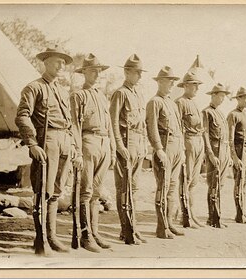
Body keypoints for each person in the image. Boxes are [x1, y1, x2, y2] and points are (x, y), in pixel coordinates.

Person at [15, 46, 74, 252]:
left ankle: (52, 237)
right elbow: (22, 115)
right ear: (46, 63)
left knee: (57, 192)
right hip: (46, 139)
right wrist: (32, 143)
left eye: (63, 63)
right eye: (57, 61)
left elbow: (70, 121)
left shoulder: (63, 90)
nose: (61, 65)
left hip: (64, 140)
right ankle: (41, 241)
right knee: (43, 191)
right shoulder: (34, 88)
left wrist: (73, 144)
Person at [70, 53, 116, 252]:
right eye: (93, 71)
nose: (97, 74)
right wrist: (77, 152)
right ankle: (85, 235)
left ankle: (95, 232)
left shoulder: (101, 96)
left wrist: (112, 148)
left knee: (97, 192)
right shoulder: (78, 96)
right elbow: (74, 126)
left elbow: (110, 125)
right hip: (88, 142)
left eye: (99, 71)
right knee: (86, 190)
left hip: (104, 142)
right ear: (84, 73)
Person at [109, 54, 148, 245]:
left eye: (141, 72)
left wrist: (145, 145)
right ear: (126, 72)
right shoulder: (120, 93)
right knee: (124, 189)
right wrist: (119, 145)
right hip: (127, 143)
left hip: (138, 143)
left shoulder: (138, 94)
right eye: (137, 72)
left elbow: (143, 123)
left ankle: (133, 227)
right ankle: (126, 230)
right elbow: (114, 122)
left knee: (135, 188)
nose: (140, 76)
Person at [146, 66, 186, 239]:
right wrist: (158, 149)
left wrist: (183, 149)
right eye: (168, 81)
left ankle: (169, 223)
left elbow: (180, 127)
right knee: (163, 187)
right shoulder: (154, 102)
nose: (171, 84)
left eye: (173, 82)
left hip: (177, 145)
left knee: (173, 187)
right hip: (165, 145)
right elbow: (152, 126)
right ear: (160, 82)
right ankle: (162, 228)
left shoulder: (172, 102)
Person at [175, 69, 205, 228]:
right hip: (188, 142)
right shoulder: (180, 102)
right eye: (194, 85)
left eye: (197, 85)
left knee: (194, 182)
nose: (197, 88)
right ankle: (185, 215)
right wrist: (180, 148)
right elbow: (177, 126)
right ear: (186, 86)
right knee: (185, 180)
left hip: (198, 141)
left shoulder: (194, 103)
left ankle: (191, 215)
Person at [202, 83, 231, 228]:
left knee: (221, 185)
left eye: (224, 96)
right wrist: (211, 154)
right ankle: (212, 218)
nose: (222, 99)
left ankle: (217, 216)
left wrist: (229, 155)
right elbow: (205, 134)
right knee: (213, 184)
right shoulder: (207, 112)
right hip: (215, 151)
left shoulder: (220, 113)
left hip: (224, 151)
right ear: (213, 96)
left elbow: (226, 135)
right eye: (220, 96)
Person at [227, 87, 246, 224]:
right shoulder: (233, 115)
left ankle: (243, 211)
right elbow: (230, 138)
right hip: (240, 149)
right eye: (244, 97)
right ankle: (239, 214)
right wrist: (234, 157)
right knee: (239, 181)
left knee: (245, 183)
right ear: (238, 99)